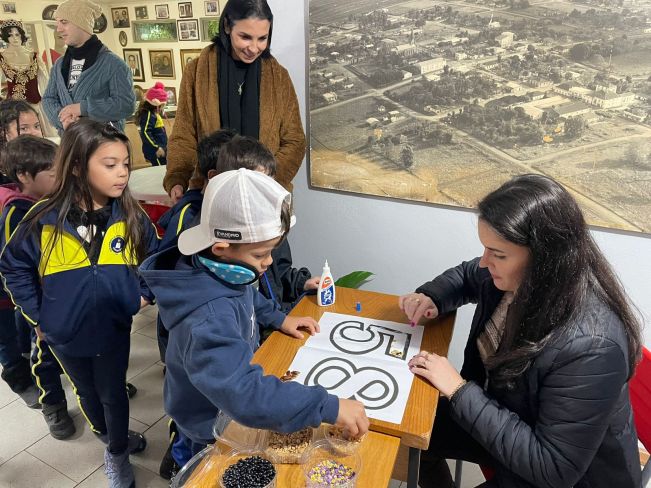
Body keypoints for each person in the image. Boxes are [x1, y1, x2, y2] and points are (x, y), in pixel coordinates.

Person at [400, 174, 642, 488]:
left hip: (563, 474)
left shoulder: (592, 347)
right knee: (413, 424)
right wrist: (432, 296)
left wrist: (460, 391)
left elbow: (553, 469)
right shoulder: (513, 276)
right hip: (509, 417)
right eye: (486, 249)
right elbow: (467, 275)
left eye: (498, 254)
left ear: (544, 258)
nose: (485, 262)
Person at [140, 168, 369, 470]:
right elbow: (243, 394)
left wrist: (278, 319)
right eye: (261, 254)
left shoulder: (224, 270)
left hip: (225, 395)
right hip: (208, 423)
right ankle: (179, 464)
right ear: (221, 248)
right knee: (199, 469)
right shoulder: (207, 317)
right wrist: (327, 405)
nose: (269, 262)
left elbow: (247, 296)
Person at [0, 119, 159, 488]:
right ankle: (108, 435)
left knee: (113, 393)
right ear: (75, 166)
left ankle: (117, 452)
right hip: (63, 335)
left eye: (125, 163)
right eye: (110, 164)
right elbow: (13, 267)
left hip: (113, 331)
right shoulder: (41, 220)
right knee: (87, 392)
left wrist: (142, 294)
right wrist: (38, 316)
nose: (122, 173)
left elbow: (157, 259)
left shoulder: (131, 216)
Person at [163, 0, 306, 203]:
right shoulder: (196, 71)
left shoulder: (279, 77)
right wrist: (177, 178)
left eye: (262, 38)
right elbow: (184, 135)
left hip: (265, 197)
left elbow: (295, 140)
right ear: (227, 26)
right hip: (211, 194)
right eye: (245, 37)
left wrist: (264, 181)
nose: (254, 48)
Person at [0, 136, 77, 441]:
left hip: (71, 297)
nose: (61, 179)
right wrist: (36, 317)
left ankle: (95, 387)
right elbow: (12, 272)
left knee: (81, 348)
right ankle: (53, 404)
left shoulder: (58, 202)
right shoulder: (16, 215)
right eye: (53, 174)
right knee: (44, 357)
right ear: (24, 176)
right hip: (43, 306)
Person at [42, 0, 135, 133]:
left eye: (64, 22)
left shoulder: (114, 64)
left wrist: (83, 108)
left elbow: (126, 105)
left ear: (82, 24)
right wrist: (63, 119)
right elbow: (48, 99)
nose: (59, 29)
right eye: (57, 23)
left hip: (105, 142)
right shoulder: (59, 64)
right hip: (70, 142)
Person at [0, 20, 56, 137]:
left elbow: (45, 82)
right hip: (13, 110)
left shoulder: (33, 56)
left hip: (36, 106)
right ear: (6, 37)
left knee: (43, 137)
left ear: (22, 35)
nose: (14, 38)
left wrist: (50, 102)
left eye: (17, 34)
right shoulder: (2, 58)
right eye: (10, 35)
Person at [137, 82, 168, 167]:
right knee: (159, 170)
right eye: (162, 105)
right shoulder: (148, 115)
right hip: (155, 151)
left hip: (162, 148)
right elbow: (145, 132)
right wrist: (156, 147)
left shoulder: (155, 114)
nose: (163, 107)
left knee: (164, 169)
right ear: (155, 103)